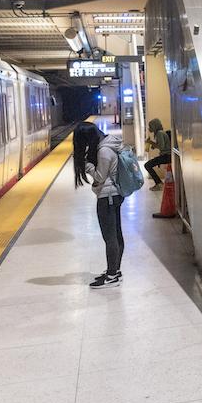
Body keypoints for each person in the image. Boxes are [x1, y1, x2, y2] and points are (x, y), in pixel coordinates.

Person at [73, 121, 125, 288]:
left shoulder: (103, 151)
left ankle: (111, 276)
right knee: (116, 235)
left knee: (110, 237)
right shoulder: (109, 143)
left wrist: (86, 165)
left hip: (107, 197)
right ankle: (114, 271)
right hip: (114, 194)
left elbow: (100, 176)